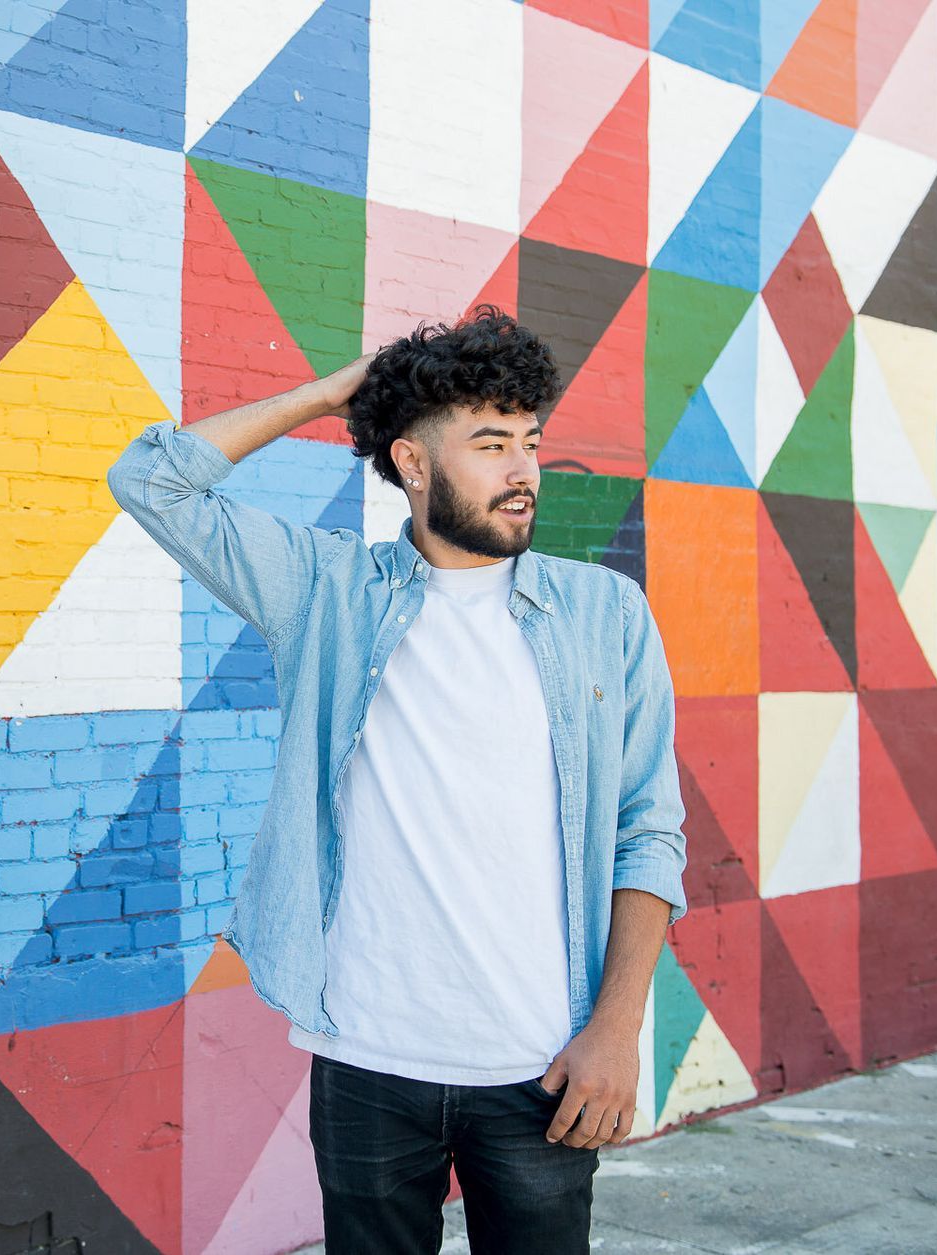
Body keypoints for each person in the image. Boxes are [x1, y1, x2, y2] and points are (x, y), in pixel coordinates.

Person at [105, 304, 688, 1254]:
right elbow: (150, 481)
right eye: (490, 443)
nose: (523, 471)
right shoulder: (326, 592)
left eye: (530, 442)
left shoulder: (604, 612)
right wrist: (337, 393)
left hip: (540, 1063)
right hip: (369, 1057)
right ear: (413, 464)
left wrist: (616, 1030)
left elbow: (647, 829)